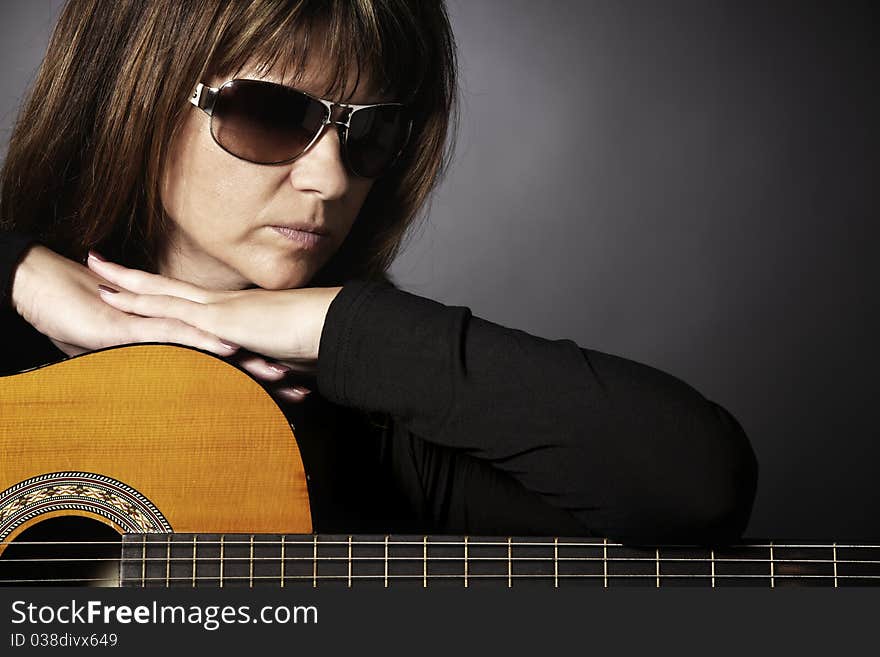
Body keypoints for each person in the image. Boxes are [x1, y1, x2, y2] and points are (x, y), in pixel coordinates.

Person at [0, 0, 757, 543]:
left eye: (371, 132)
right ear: (132, 94)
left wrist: (329, 324)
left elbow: (695, 485)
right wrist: (21, 272)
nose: (331, 180)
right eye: (271, 112)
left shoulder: (366, 422)